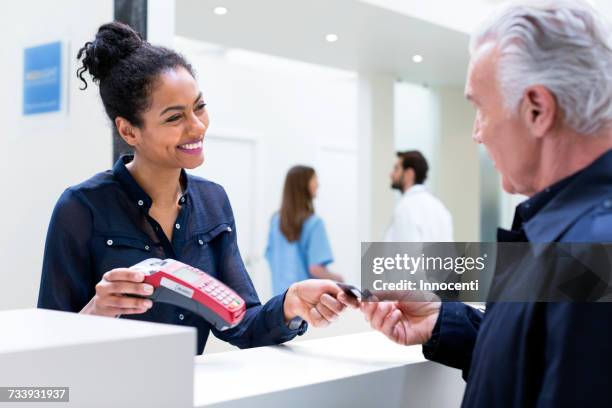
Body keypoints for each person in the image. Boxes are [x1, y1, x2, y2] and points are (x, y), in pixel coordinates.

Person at [37, 22, 353, 355]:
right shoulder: (81, 207)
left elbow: (241, 322)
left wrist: (291, 304)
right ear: (129, 131)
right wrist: (96, 311)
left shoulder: (212, 201)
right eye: (175, 118)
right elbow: (49, 346)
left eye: (199, 107)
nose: (197, 126)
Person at [355, 1, 612, 407]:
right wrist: (442, 321)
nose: (476, 133)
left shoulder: (592, 250)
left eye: (479, 108)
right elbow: (537, 360)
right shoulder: (562, 233)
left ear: (537, 109)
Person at [265, 165, 343, 296]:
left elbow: (271, 258)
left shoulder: (275, 220)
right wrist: (339, 280)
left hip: (280, 301)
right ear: (303, 185)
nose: (318, 183)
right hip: (306, 303)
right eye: (314, 179)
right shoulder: (314, 223)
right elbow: (315, 269)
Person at [384, 151, 453, 242]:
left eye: (396, 169)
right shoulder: (440, 208)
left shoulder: (406, 208)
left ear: (409, 174)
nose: (391, 174)